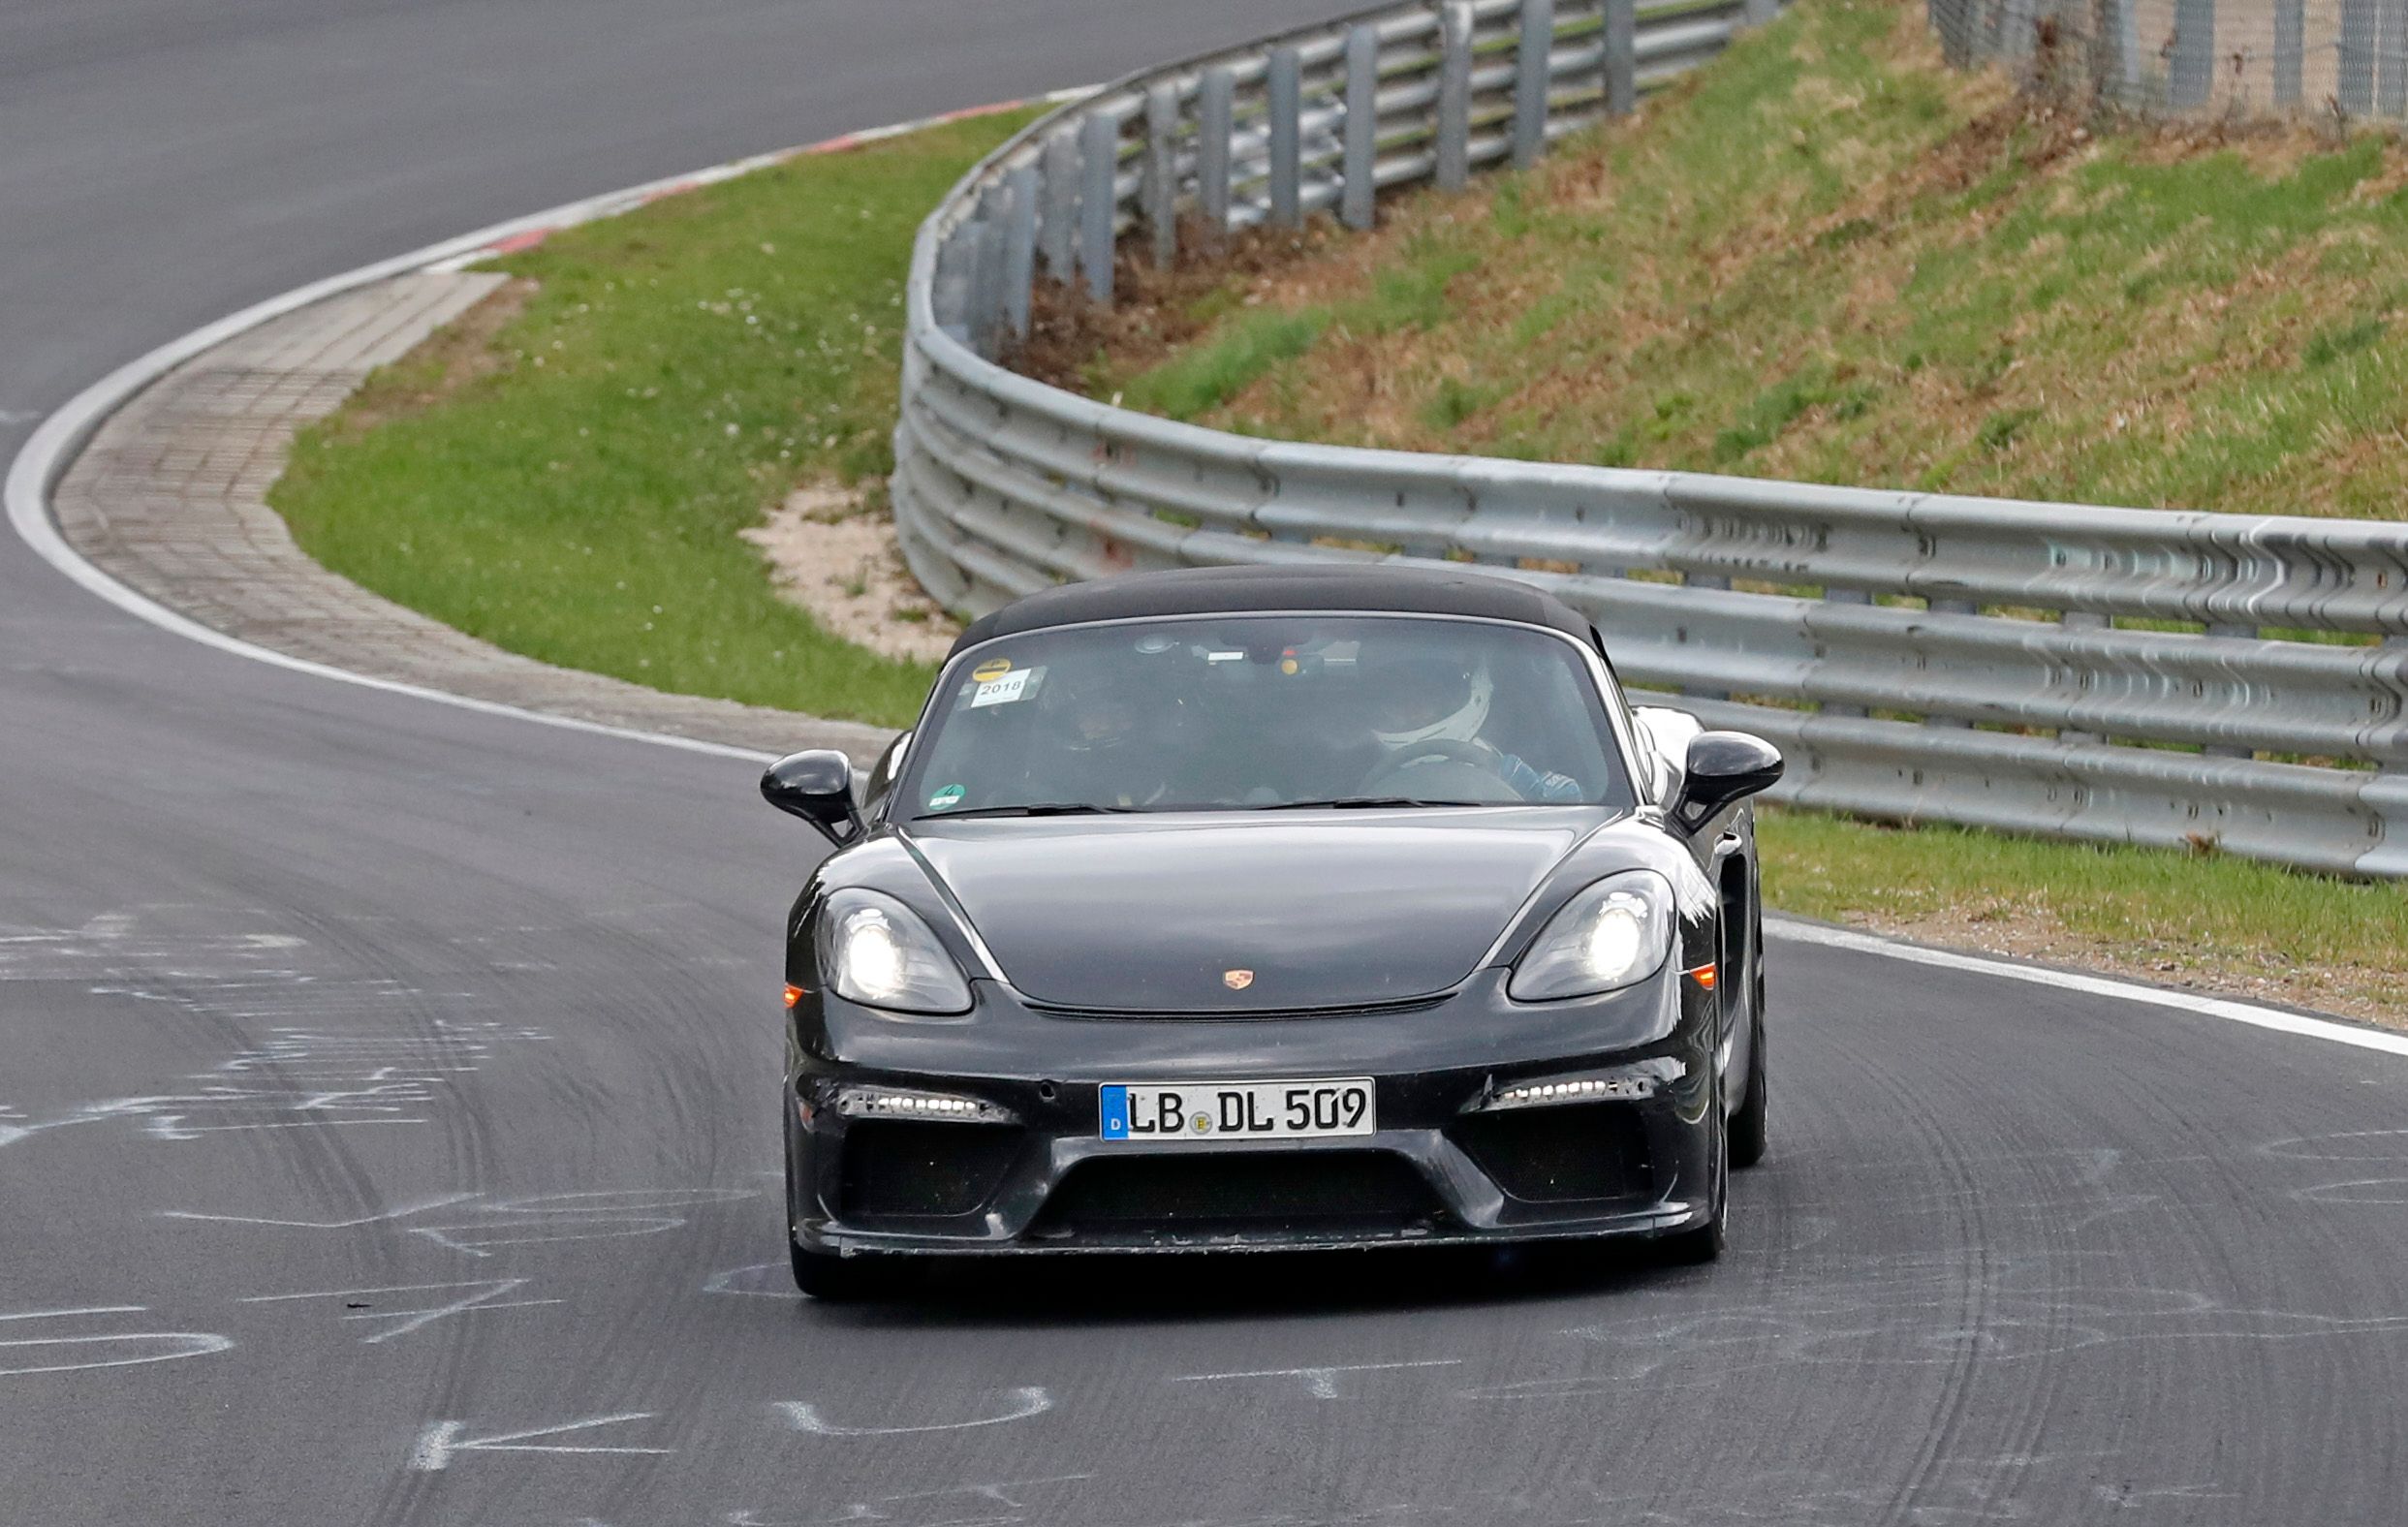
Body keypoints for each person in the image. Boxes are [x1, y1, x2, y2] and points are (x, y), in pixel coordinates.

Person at [1355, 648, 1585, 802]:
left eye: (1428, 692)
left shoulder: (1512, 772)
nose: (1410, 708)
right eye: (1392, 695)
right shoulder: (1350, 770)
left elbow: (1567, 803)